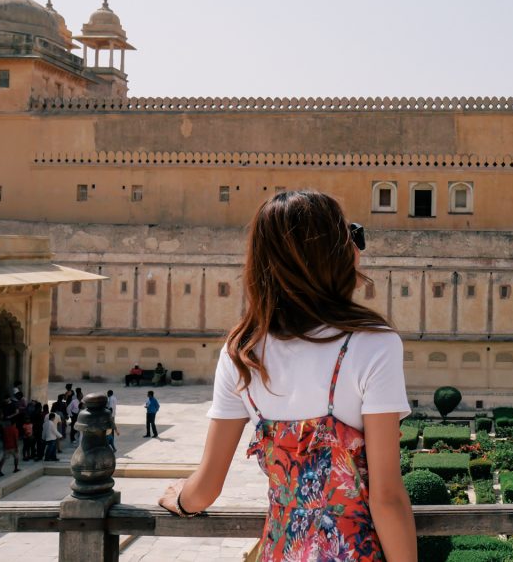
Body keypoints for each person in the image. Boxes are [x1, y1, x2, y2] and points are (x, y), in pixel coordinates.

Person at [158, 190, 415, 561]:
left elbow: (207, 487)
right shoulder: (373, 345)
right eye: (352, 236)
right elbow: (387, 497)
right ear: (335, 254)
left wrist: (180, 498)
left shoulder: (242, 353)